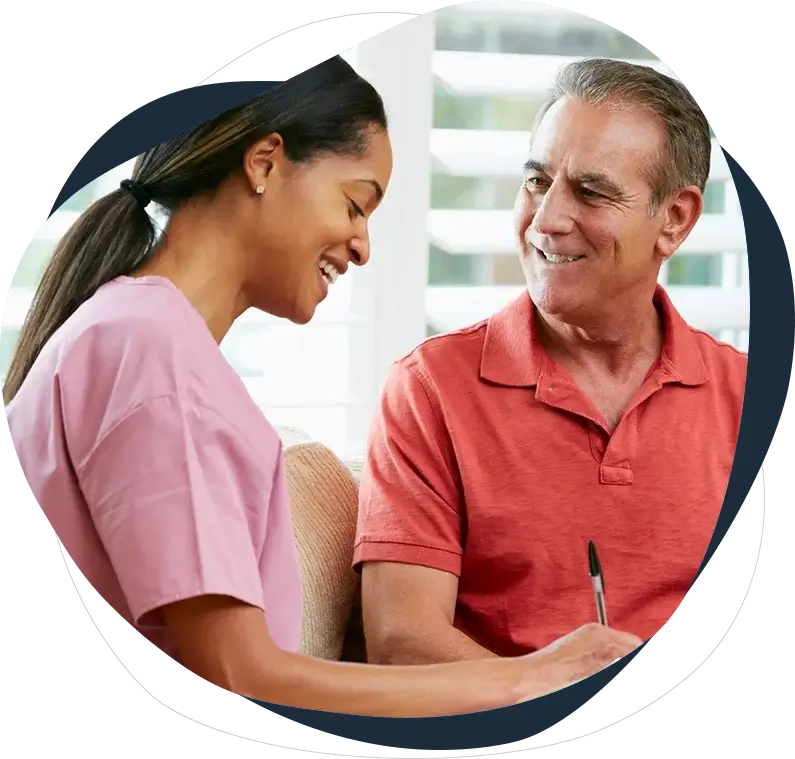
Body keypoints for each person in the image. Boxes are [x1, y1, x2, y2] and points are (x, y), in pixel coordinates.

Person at [2, 60, 641, 718]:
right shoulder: (151, 352)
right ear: (264, 163)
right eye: (355, 203)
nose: (363, 246)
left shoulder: (140, 334)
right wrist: (534, 678)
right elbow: (238, 674)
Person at [354, 58, 747, 666]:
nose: (545, 220)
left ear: (674, 221)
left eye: (590, 192)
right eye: (537, 181)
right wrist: (574, 695)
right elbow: (403, 643)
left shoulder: (749, 394)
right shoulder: (429, 389)